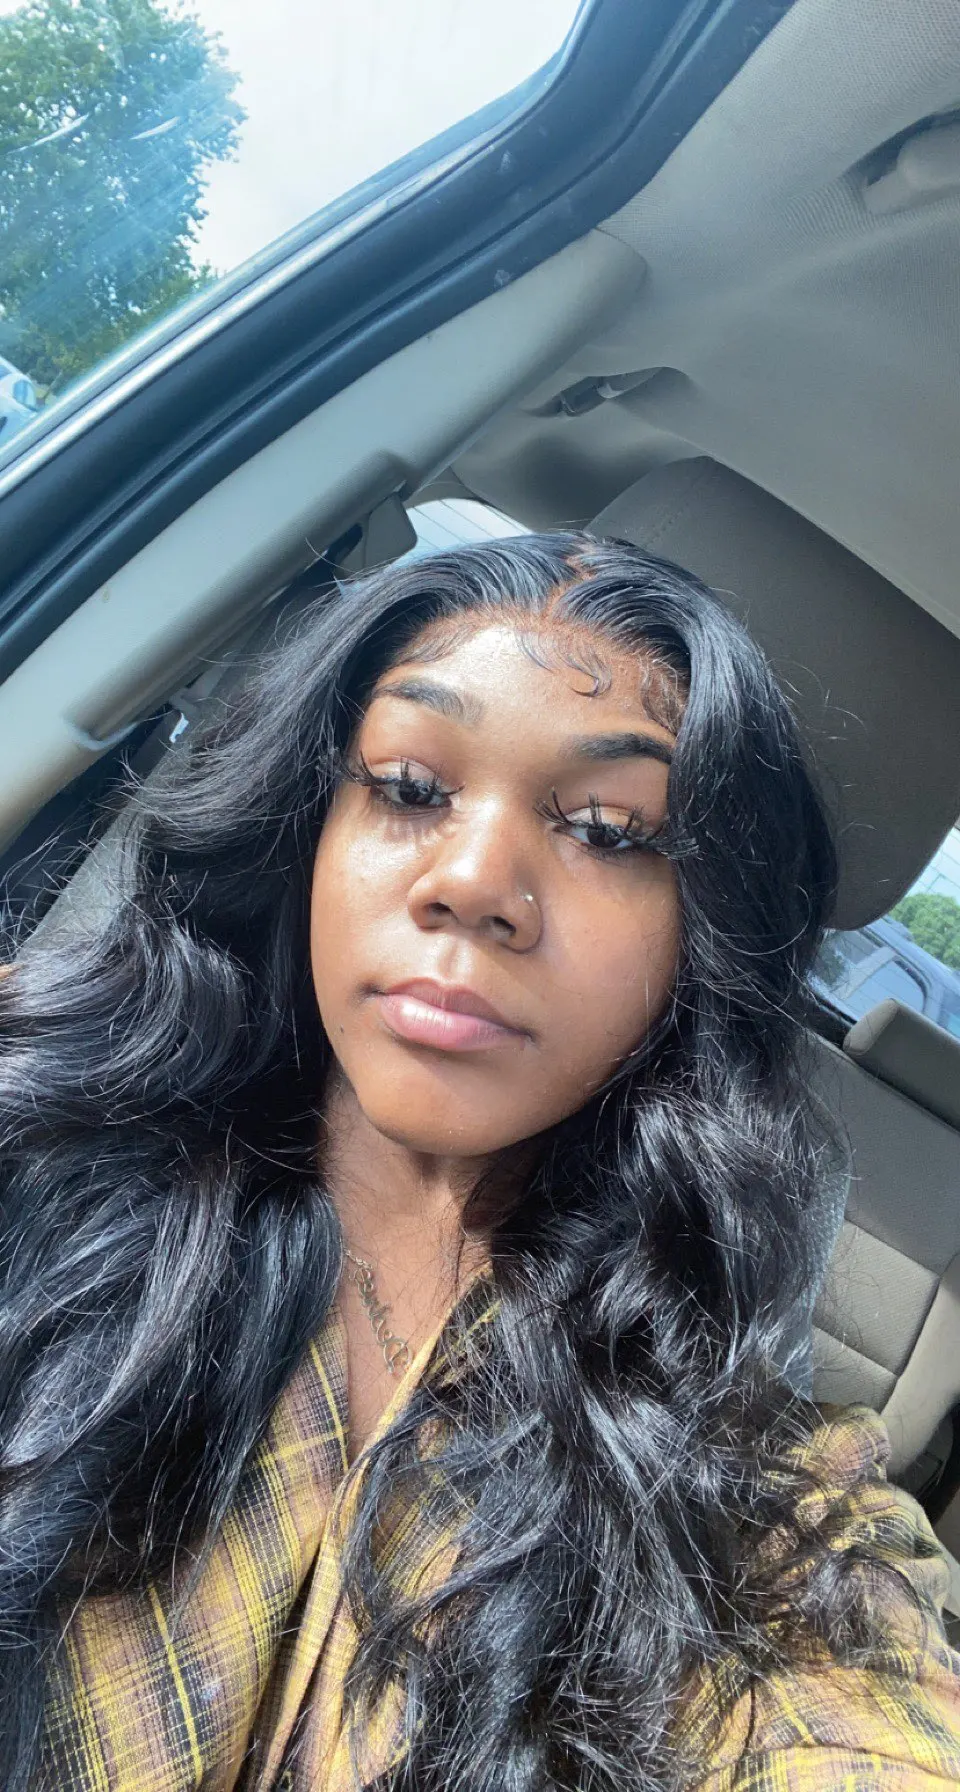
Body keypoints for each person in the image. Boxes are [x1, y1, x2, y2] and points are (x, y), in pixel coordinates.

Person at [0, 533, 957, 1792]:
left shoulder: (762, 1496)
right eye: (407, 786)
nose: (472, 882)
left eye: (609, 829)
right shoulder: (36, 1132)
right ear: (306, 829)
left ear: (702, 936)